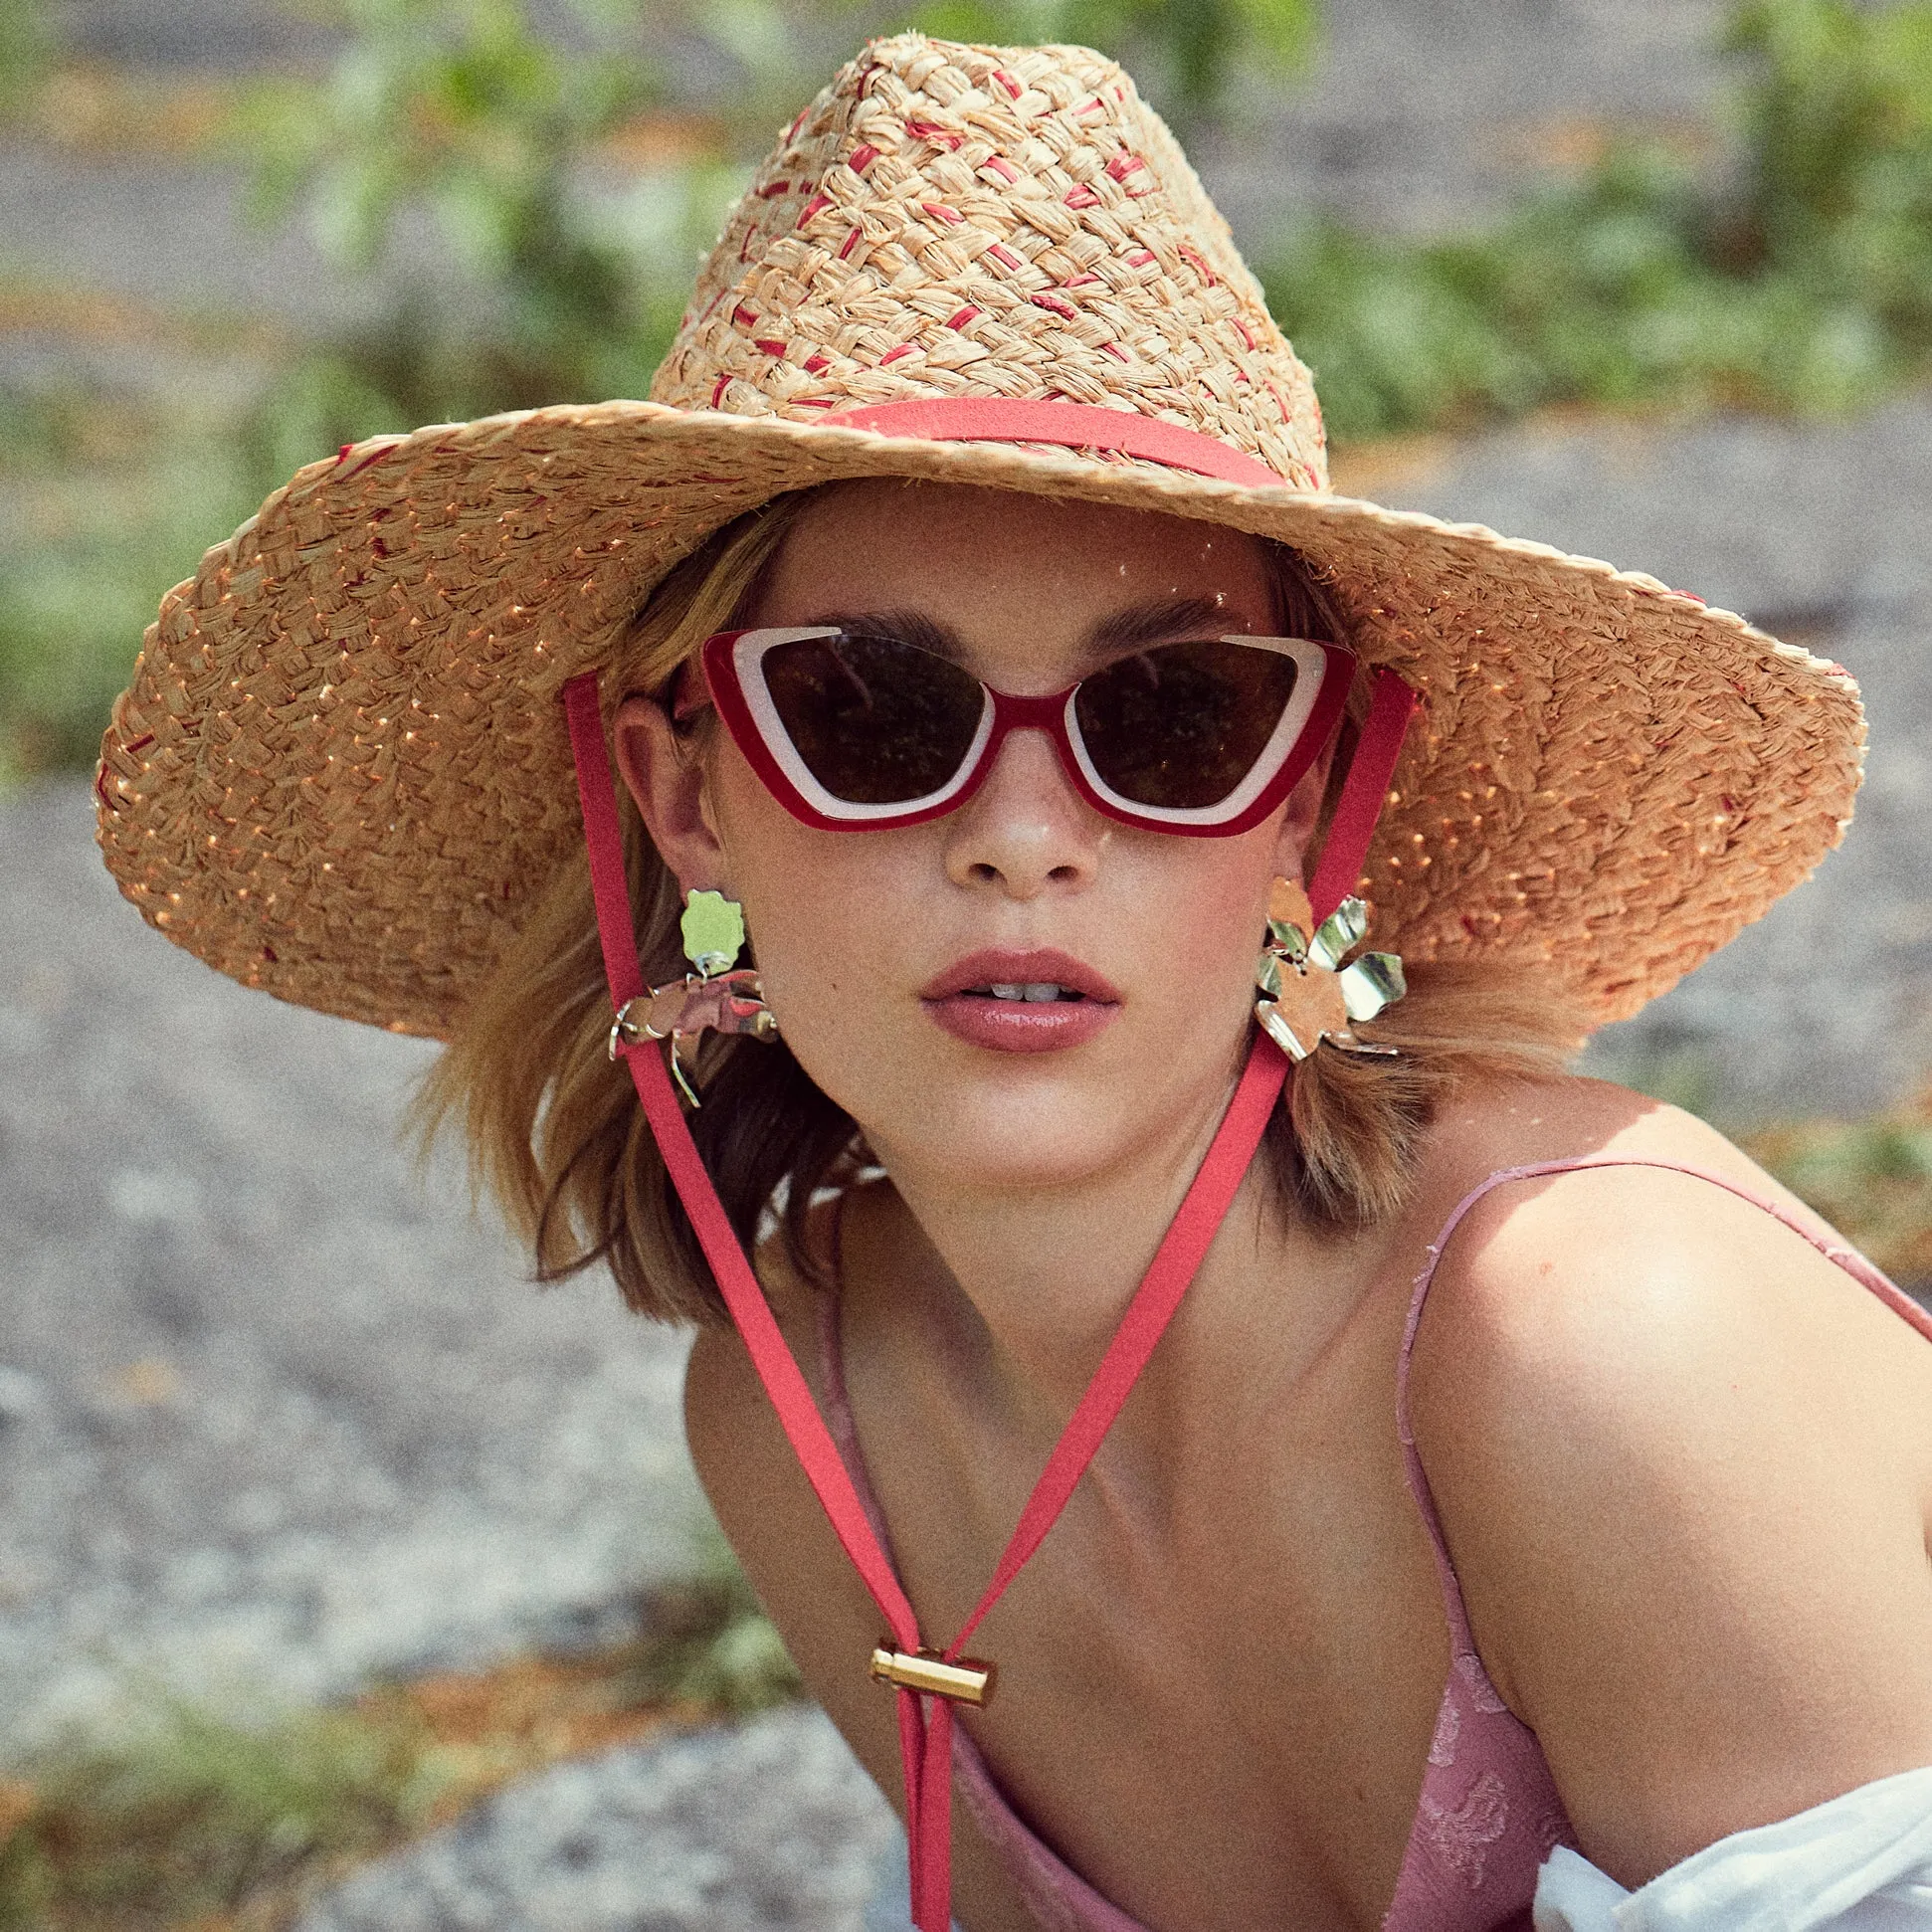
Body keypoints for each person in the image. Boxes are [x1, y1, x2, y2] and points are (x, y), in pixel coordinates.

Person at [96, 33, 1932, 1932]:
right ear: (687, 791)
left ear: (1305, 797)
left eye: (1174, 715)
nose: (1023, 836)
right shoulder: (809, 1418)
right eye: (871, 712)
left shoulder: (1599, 1341)